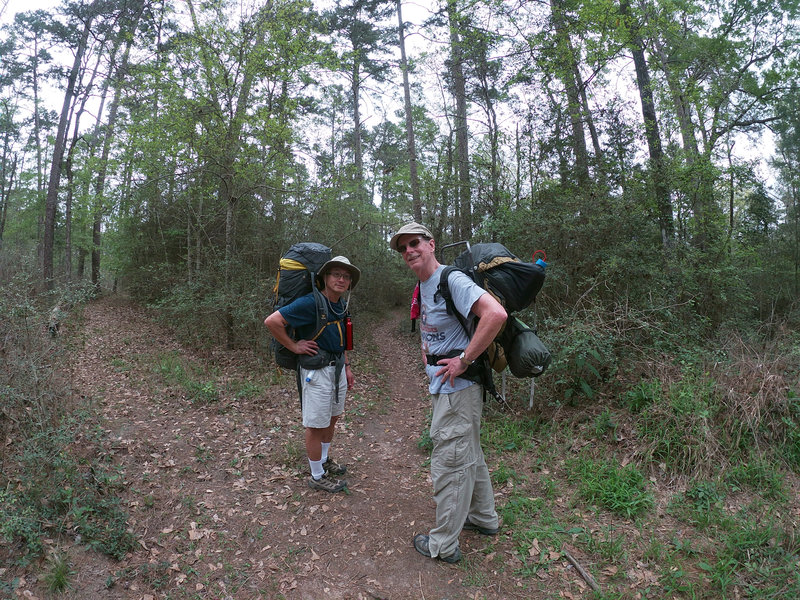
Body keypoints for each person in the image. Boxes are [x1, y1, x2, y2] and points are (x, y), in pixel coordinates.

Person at [390, 222, 507, 563]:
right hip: (448, 386)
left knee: (451, 461)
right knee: (467, 451)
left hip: (459, 386)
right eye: (403, 248)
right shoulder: (424, 285)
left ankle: (443, 544)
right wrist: (428, 349)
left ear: (431, 244)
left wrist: (463, 360)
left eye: (414, 243)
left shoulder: (450, 279)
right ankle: (484, 518)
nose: (409, 250)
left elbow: (495, 314)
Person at [264, 256, 360, 493]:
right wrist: (294, 346)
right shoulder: (310, 303)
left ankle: (324, 460)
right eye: (336, 274)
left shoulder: (340, 304)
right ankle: (317, 475)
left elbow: (341, 338)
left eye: (346, 276)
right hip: (316, 373)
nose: (341, 279)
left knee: (333, 417)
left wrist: (346, 366)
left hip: (336, 368)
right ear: (324, 277)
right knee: (316, 424)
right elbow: (273, 321)